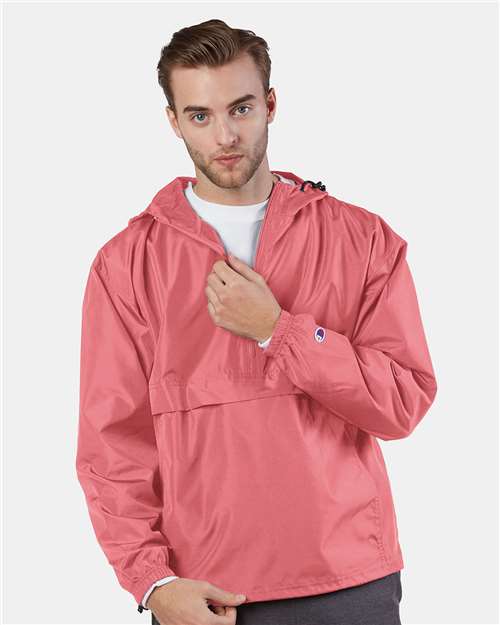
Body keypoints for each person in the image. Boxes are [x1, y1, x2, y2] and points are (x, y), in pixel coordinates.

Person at [75, 18, 437, 625]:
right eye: (200, 115)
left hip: (349, 579)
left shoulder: (362, 240)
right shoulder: (127, 264)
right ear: (173, 121)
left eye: (241, 108)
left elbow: (402, 402)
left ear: (270, 104)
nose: (225, 135)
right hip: (206, 591)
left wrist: (281, 331)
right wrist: (153, 582)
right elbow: (112, 446)